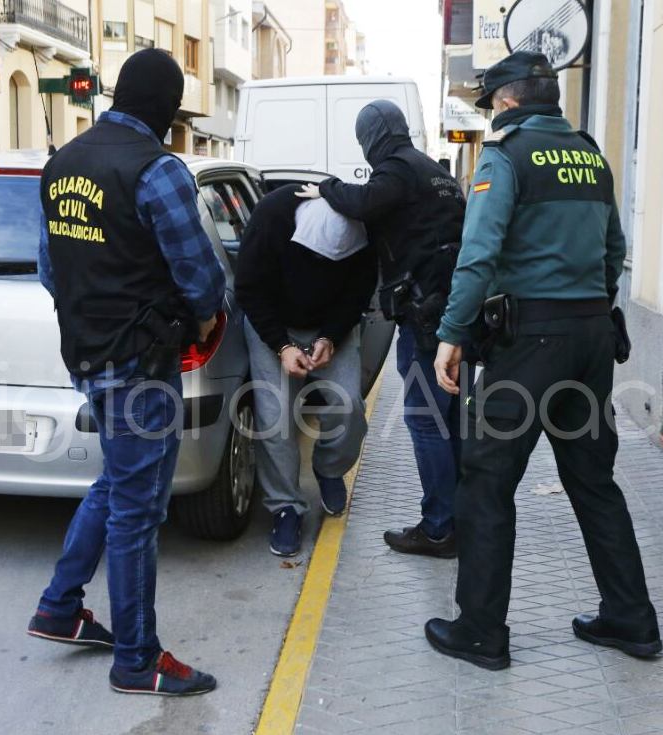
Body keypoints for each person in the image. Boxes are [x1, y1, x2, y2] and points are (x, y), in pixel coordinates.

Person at [426, 50, 661, 671]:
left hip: (530, 342)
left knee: (487, 481)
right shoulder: (590, 155)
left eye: (492, 107)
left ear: (505, 102)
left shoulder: (504, 158)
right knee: (593, 480)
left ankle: (479, 630)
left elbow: (478, 256)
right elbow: (615, 249)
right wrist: (590, 310)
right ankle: (631, 619)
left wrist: (451, 334)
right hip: (590, 336)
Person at [27, 48, 225, 696]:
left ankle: (60, 606)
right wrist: (199, 322)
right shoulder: (156, 170)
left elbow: (50, 269)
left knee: (118, 481)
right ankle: (136, 659)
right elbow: (200, 276)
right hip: (141, 364)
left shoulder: (62, 163)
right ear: (167, 111)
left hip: (86, 353)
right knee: (137, 511)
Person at [298, 100, 468, 559]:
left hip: (423, 316)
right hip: (453, 312)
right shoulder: (438, 173)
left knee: (426, 420)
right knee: (450, 421)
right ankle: (458, 519)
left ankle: (439, 528)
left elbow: (364, 203)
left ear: (372, 136)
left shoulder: (396, 170)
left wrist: (327, 187)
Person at [235, 186, 377, 557]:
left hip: (329, 325)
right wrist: (282, 346)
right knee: (276, 418)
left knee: (349, 404)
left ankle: (329, 469)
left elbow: (358, 293)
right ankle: (285, 507)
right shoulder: (271, 219)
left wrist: (331, 335)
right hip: (273, 324)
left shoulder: (363, 229)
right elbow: (249, 290)